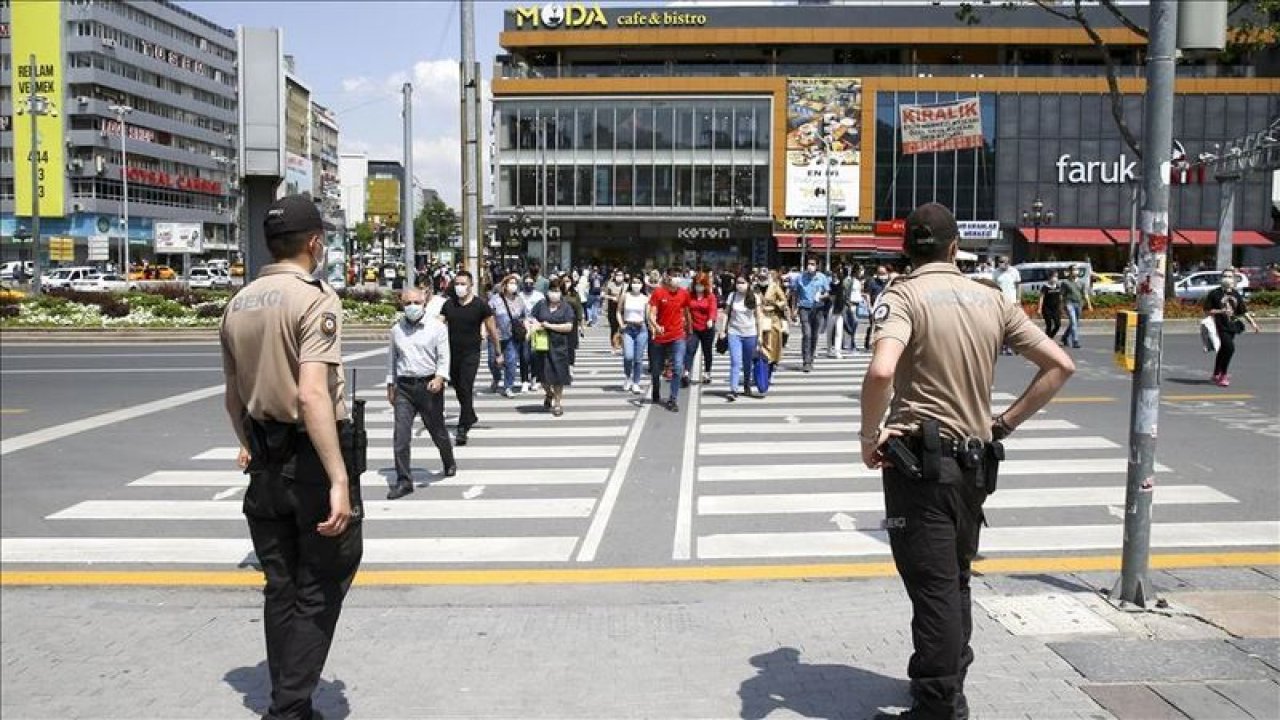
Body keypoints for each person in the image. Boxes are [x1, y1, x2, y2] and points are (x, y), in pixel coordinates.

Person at [860, 203, 1074, 720]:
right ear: (956, 246)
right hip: (975, 463)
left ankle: (939, 704)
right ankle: (945, 679)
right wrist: (1004, 423)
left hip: (919, 465)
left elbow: (882, 370)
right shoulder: (992, 299)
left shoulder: (904, 295)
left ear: (907, 249)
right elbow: (1059, 364)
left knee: (931, 585)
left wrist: (869, 434)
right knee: (954, 577)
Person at [218, 194, 363, 720]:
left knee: (279, 583)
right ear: (315, 243)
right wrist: (339, 480)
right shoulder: (314, 298)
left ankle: (289, 699)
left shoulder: (238, 302)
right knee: (326, 575)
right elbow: (312, 395)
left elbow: (232, 398)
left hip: (263, 455)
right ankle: (289, 707)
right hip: (308, 457)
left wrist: (251, 444)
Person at [386, 289, 455, 500]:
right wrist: (391, 384)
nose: (412, 306)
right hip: (405, 388)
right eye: (408, 303)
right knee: (401, 436)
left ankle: (448, 459)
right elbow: (392, 359)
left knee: (437, 430)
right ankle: (404, 481)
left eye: (416, 302)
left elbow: (444, 357)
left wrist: (440, 378)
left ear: (424, 302)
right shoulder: (397, 330)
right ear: (402, 304)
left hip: (429, 387)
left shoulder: (437, 327)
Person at [440, 270, 502, 446]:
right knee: (459, 388)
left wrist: (498, 352)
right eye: (457, 283)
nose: (459, 287)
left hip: (471, 353)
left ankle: (462, 427)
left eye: (463, 284)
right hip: (452, 354)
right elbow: (438, 325)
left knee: (466, 387)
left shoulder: (480, 305)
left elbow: (492, 330)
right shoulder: (449, 305)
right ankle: (470, 414)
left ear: (470, 285)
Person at [647, 268, 692, 412]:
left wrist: (690, 329)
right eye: (674, 276)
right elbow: (651, 314)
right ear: (667, 278)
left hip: (678, 336)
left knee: (678, 367)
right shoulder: (659, 292)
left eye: (679, 276)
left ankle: (673, 398)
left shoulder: (684, 294)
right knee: (656, 369)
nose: (677, 279)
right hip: (660, 337)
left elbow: (686, 312)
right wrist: (655, 325)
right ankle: (656, 388)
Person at [1204, 272, 1259, 387]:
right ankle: (1223, 375)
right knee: (1230, 348)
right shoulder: (1214, 293)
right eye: (1225, 276)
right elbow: (1207, 310)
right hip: (1219, 325)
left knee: (1224, 350)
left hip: (1231, 325)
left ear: (1233, 280)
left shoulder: (1235, 294)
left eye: (1230, 276)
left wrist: (1253, 324)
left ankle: (1216, 374)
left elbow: (1243, 311)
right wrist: (1221, 311)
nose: (1227, 279)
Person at [531, 278, 577, 416]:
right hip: (542, 343)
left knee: (558, 376)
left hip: (559, 346)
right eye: (552, 290)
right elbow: (532, 317)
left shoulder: (566, 307)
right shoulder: (541, 304)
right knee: (543, 376)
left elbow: (569, 326)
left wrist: (550, 326)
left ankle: (557, 403)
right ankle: (548, 393)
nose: (553, 293)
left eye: (556, 291)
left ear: (561, 293)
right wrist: (535, 324)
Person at [719, 275, 767, 401]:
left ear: (749, 283)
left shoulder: (755, 297)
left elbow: (759, 317)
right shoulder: (732, 296)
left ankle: (746, 385)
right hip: (734, 332)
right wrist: (722, 330)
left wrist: (760, 335)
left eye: (742, 282)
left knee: (747, 363)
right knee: (735, 361)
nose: (739, 285)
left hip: (750, 334)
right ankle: (733, 390)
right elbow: (726, 313)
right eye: (738, 282)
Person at [488, 274, 527, 398]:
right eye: (510, 283)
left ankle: (508, 386)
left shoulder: (519, 300)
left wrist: (526, 329)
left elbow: (524, 316)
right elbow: (488, 316)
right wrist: (485, 330)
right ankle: (496, 377)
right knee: (492, 361)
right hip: (495, 335)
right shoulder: (495, 299)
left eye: (515, 283)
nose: (513, 286)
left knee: (511, 361)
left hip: (512, 335)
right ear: (504, 285)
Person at [789, 259, 830, 373]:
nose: (810, 266)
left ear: (817, 266)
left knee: (814, 335)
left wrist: (821, 296)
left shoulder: (822, 277)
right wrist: (793, 310)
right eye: (808, 264)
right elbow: (795, 294)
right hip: (804, 308)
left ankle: (811, 359)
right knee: (807, 334)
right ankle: (806, 361)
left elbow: (827, 292)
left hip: (818, 309)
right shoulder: (800, 278)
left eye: (813, 264)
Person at [683, 272, 719, 386]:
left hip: (707, 328)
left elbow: (713, 309)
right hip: (694, 327)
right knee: (690, 349)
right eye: (697, 284)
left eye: (701, 284)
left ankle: (707, 373)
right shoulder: (690, 295)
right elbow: (685, 308)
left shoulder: (710, 296)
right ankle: (686, 373)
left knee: (707, 351)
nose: (699, 287)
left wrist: (711, 319)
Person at [617, 276, 650, 394]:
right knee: (628, 356)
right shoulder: (625, 296)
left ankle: (636, 382)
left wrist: (653, 328)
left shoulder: (645, 298)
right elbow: (618, 312)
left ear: (642, 284)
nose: (636, 284)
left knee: (638, 359)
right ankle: (627, 378)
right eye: (634, 282)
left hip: (641, 329)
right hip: (628, 328)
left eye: (638, 282)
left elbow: (648, 316)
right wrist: (621, 324)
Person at [518, 276, 546, 391]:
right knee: (524, 356)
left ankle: (535, 378)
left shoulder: (539, 296)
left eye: (531, 283)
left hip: (537, 327)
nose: (528, 284)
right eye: (526, 283)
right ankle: (524, 380)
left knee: (536, 355)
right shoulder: (519, 296)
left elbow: (543, 310)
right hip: (523, 328)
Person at [758, 270, 788, 369]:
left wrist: (776, 304)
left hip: (773, 317)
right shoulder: (755, 288)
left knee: (774, 340)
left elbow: (784, 300)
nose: (762, 279)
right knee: (761, 341)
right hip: (759, 317)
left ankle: (773, 361)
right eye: (760, 277)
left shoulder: (774, 286)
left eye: (764, 277)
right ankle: (761, 362)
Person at [1060, 265, 1092, 349]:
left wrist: (1089, 304)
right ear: (1070, 272)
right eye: (1074, 270)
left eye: (1077, 270)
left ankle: (1065, 337)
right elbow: (1061, 295)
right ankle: (1075, 341)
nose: (1075, 271)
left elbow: (1085, 294)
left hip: (1078, 304)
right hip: (1069, 303)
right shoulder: (1065, 283)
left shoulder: (1082, 283)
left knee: (1074, 323)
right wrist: (1061, 306)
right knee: (1073, 322)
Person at [863, 265, 890, 352]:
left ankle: (880, 344)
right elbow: (867, 294)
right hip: (874, 307)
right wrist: (869, 307)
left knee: (884, 327)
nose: (881, 275)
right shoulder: (872, 282)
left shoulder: (889, 282)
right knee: (873, 326)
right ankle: (868, 344)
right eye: (879, 273)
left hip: (885, 308)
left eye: (883, 273)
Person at [1037, 270, 1064, 340]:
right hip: (1047, 309)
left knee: (1058, 325)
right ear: (1050, 277)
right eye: (1054, 277)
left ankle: (1050, 337)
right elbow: (1041, 298)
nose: (1056, 279)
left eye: (1057, 277)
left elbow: (1060, 297)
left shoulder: (1058, 287)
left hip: (1056, 309)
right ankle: (1047, 340)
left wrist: (1062, 308)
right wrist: (1039, 309)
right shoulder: (1045, 287)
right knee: (1049, 325)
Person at [604, 269, 626, 352]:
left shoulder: (626, 286)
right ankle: (614, 346)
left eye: (621, 275)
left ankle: (622, 344)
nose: (619, 277)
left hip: (623, 310)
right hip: (612, 309)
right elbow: (604, 295)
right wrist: (611, 297)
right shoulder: (610, 285)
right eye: (618, 275)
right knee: (613, 328)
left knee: (622, 328)